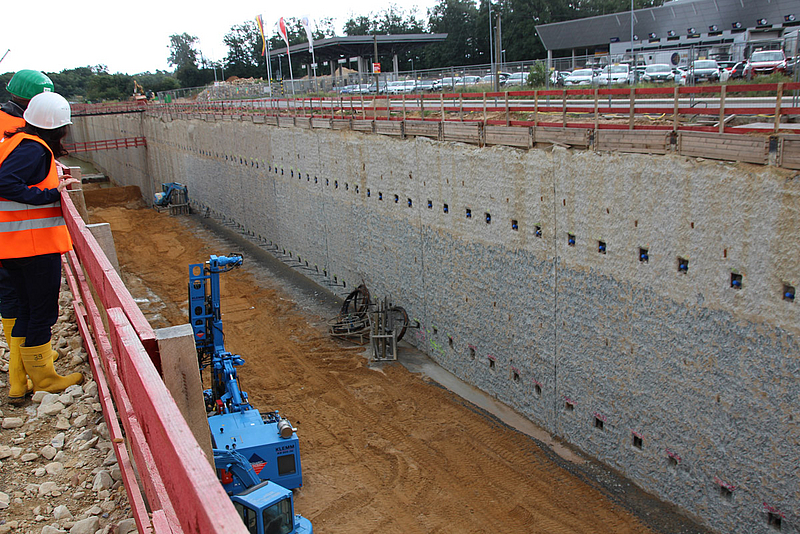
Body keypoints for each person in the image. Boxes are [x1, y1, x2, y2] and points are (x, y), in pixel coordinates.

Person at [0, 91, 82, 403]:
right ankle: (45, 378)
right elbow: (5, 182)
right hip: (32, 246)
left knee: (24, 309)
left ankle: (19, 382)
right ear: (58, 127)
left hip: (12, 246)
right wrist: (49, 195)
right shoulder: (34, 149)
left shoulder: (15, 141)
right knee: (41, 313)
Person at [0, 70, 55, 376]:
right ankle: (39, 375)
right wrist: (47, 196)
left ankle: (19, 375)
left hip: (9, 236)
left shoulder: (9, 129)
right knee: (36, 309)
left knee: (18, 303)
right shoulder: (26, 137)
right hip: (24, 237)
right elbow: (7, 182)